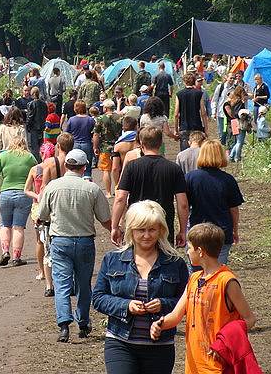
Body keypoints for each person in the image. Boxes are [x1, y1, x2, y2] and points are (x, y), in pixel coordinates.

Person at [92, 201, 189, 374]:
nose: (146, 235)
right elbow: (98, 298)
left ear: (161, 230)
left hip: (160, 346)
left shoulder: (175, 263)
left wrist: (164, 304)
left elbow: (187, 302)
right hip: (120, 341)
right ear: (131, 230)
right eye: (141, 230)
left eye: (152, 229)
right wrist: (126, 305)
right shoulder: (112, 260)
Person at [150, 223, 257, 374]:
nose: (187, 252)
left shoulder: (227, 281)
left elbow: (249, 319)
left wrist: (224, 343)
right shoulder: (193, 279)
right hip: (194, 365)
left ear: (200, 251)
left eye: (189, 247)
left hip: (219, 366)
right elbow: (176, 316)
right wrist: (160, 324)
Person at [37, 149, 111, 342]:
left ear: (66, 165)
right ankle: (84, 321)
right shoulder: (92, 188)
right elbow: (104, 218)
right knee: (84, 284)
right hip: (85, 241)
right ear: (84, 167)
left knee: (61, 284)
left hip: (60, 241)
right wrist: (116, 231)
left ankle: (63, 325)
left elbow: (42, 214)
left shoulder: (52, 187)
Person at [111, 126, 189, 248]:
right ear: (161, 143)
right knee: (164, 261)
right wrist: (183, 230)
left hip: (137, 221)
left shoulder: (132, 167)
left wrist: (115, 226)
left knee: (137, 260)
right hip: (163, 223)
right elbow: (183, 203)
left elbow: (120, 198)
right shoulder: (173, 168)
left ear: (141, 144)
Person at [185, 141, 244, 264]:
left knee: (196, 272)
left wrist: (183, 229)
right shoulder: (228, 180)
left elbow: (184, 206)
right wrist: (235, 230)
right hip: (222, 232)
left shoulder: (190, 178)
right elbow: (234, 209)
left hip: (197, 230)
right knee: (218, 271)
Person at [0, 135, 36, 267]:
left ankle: (5, 251)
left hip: (6, 193)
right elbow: (37, 174)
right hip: (23, 194)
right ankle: (16, 257)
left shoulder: (3, 156)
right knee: (18, 227)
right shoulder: (30, 157)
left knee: (5, 224)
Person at [24, 143, 56, 297]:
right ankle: (51, 270)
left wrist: (37, 197)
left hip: (37, 207)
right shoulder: (57, 166)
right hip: (53, 205)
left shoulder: (35, 169)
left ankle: (42, 271)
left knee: (40, 241)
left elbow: (26, 190)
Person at [93, 99, 122, 198]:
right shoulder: (119, 117)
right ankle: (117, 189)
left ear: (106, 108)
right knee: (117, 169)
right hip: (118, 146)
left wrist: (95, 147)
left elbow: (96, 134)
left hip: (105, 147)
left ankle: (108, 192)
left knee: (106, 170)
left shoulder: (101, 118)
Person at [174, 72, 208, 151]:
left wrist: (176, 130)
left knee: (184, 152)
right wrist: (206, 128)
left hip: (184, 126)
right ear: (194, 81)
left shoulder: (179, 94)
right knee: (197, 151)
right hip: (197, 126)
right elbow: (203, 113)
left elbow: (176, 114)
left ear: (184, 82)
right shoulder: (199, 93)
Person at [64, 101, 95, 178]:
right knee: (87, 167)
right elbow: (93, 133)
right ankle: (87, 181)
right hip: (87, 144)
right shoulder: (90, 120)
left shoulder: (71, 120)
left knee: (74, 167)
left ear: (75, 109)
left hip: (75, 144)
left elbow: (67, 133)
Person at [111, 116, 138, 186]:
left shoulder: (118, 145)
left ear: (123, 127)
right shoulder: (141, 143)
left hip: (124, 176)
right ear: (136, 127)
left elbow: (115, 168)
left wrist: (117, 185)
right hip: (140, 175)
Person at [223, 86, 247, 162]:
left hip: (233, 122)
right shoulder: (239, 102)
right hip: (239, 122)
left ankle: (232, 156)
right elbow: (237, 113)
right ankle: (236, 157)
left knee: (237, 141)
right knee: (240, 141)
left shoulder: (233, 101)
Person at [211, 73, 236, 145]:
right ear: (227, 78)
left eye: (233, 78)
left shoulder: (236, 88)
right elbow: (215, 100)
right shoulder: (220, 87)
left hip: (232, 115)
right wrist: (214, 112)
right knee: (222, 133)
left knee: (233, 133)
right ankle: (222, 149)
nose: (232, 80)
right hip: (221, 114)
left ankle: (231, 152)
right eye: (231, 78)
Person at [26, 86, 48, 162]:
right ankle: (41, 160)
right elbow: (46, 114)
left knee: (33, 147)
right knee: (40, 145)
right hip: (41, 127)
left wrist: (27, 126)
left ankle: (35, 162)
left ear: (32, 94)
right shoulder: (44, 104)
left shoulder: (31, 104)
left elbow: (30, 116)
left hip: (33, 127)